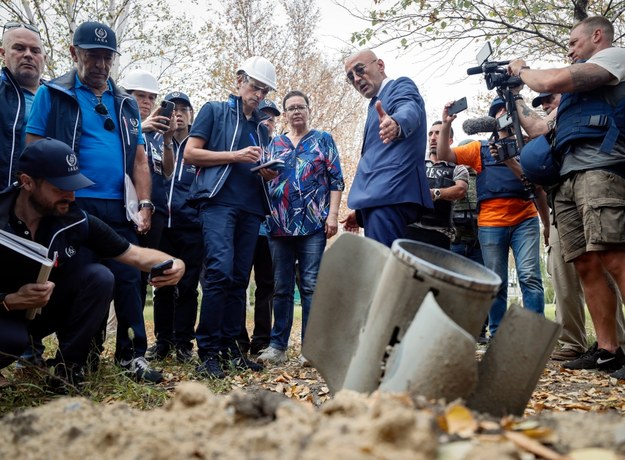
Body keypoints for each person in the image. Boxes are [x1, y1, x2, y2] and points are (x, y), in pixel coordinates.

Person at [24, 21, 160, 382]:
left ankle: (133, 356)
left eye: (107, 57)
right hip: (73, 208)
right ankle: (76, 359)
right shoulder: (52, 95)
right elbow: (33, 148)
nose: (100, 64)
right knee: (86, 278)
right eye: (92, 55)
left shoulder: (126, 103)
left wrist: (145, 204)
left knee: (129, 278)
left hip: (119, 207)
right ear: (74, 53)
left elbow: (140, 159)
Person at [0, 138, 184, 390]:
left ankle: (69, 369)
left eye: (74, 186)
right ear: (27, 182)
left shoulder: (74, 219)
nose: (71, 196)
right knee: (10, 341)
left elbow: (134, 255)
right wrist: (8, 301)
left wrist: (176, 263)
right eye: (60, 187)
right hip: (5, 315)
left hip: (43, 311)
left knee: (100, 276)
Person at [508, 16, 625, 378]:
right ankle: (608, 351)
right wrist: (513, 95)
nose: (570, 48)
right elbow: (540, 127)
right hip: (567, 178)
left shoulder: (615, 58)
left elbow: (548, 79)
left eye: (574, 42)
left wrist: (523, 69)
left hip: (602, 168)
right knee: (586, 264)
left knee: (615, 257)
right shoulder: (575, 96)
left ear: (597, 35)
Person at [184, 56, 278, 378]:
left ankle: (229, 349)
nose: (258, 95)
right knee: (220, 273)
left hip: (251, 208)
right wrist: (234, 156)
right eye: (254, 86)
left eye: (264, 91)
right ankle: (207, 352)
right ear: (239, 81)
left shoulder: (262, 130)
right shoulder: (214, 111)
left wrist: (268, 173)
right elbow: (190, 153)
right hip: (218, 203)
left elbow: (262, 169)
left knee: (239, 280)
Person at [437, 98, 547, 337]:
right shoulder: (479, 149)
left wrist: (546, 225)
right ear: (489, 120)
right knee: (496, 282)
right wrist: (446, 124)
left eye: (508, 109)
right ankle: (497, 335)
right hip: (491, 223)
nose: (504, 114)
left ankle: (535, 337)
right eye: (498, 110)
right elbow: (444, 154)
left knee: (529, 276)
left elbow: (538, 188)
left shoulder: (528, 145)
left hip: (525, 219)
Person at [256, 90, 344, 365]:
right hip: (278, 226)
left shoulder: (323, 140)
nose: (296, 112)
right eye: (291, 108)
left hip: (313, 227)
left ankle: (312, 348)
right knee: (280, 287)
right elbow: (263, 182)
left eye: (301, 107)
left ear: (308, 110)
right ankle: (277, 347)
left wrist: (332, 216)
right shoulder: (275, 145)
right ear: (285, 113)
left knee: (310, 286)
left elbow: (336, 181)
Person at [340, 49, 433, 247]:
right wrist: (361, 211)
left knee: (384, 269)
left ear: (380, 65)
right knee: (380, 268)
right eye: (351, 77)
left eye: (360, 69)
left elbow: (409, 108)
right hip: (378, 201)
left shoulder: (400, 86)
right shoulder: (373, 104)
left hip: (390, 197)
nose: (356, 79)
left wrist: (397, 124)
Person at [148, 91, 203, 363]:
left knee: (189, 286)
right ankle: (163, 342)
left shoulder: (200, 144)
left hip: (191, 226)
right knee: (162, 286)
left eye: (183, 109)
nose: (177, 114)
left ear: (191, 114)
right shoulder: (156, 142)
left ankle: (184, 344)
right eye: (173, 109)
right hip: (161, 225)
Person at [119, 69, 175, 307]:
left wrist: (168, 140)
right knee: (125, 271)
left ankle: (136, 331)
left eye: (151, 97)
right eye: (141, 95)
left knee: (146, 271)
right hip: (128, 207)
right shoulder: (122, 124)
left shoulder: (156, 134)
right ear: (127, 95)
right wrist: (141, 127)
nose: (147, 101)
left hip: (158, 208)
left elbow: (168, 171)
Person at [237, 99, 281, 357]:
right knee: (239, 282)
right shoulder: (245, 145)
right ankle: (239, 339)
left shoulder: (280, 149)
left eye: (272, 118)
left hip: (270, 231)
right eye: (263, 116)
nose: (268, 121)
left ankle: (262, 339)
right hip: (244, 226)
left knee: (267, 285)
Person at [406, 121, 468, 249]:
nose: (433, 137)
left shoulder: (458, 168)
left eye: (438, 133)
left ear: (449, 140)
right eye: (430, 134)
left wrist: (435, 193)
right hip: (409, 230)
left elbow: (461, 190)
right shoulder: (415, 164)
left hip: (439, 235)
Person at [1, 22, 46, 188]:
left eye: (35, 50)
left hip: (45, 200)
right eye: (19, 48)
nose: (28, 55)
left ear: (44, 59)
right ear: (3, 54)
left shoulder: (60, 96)